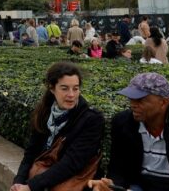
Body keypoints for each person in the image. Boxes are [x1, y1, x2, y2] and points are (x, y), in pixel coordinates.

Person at [90, 73, 169, 191]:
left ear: (163, 102)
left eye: (140, 100)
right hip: (139, 186)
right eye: (131, 98)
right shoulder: (122, 122)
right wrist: (112, 185)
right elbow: (118, 169)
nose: (133, 104)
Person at [12, 61, 104, 191]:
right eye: (64, 88)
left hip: (74, 180)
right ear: (52, 88)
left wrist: (30, 186)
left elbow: (72, 163)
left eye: (76, 88)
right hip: (44, 175)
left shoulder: (91, 119)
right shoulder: (44, 112)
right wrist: (18, 182)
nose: (71, 95)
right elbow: (31, 152)